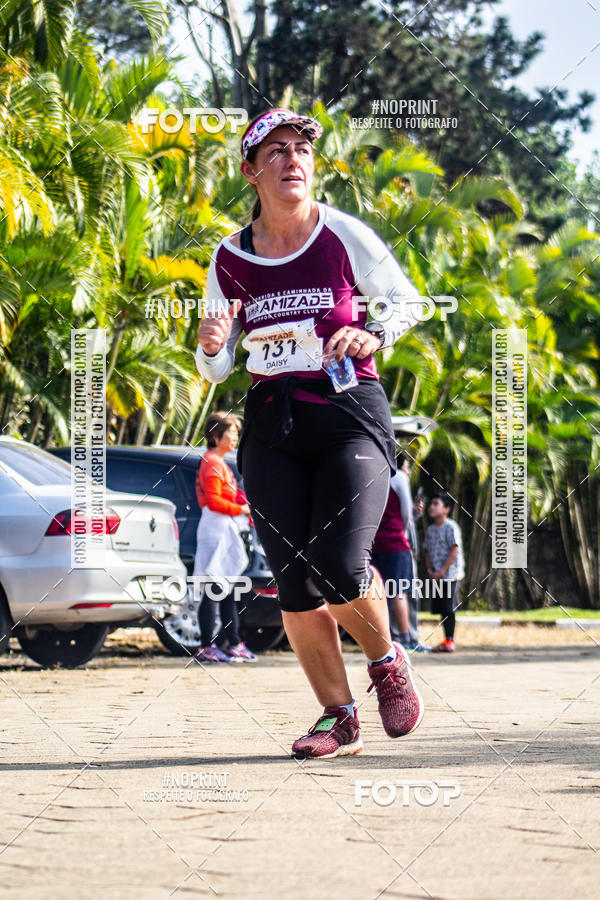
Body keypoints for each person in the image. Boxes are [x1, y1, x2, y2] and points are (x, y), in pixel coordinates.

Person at [196, 108, 424, 758]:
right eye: (276, 151)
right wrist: (212, 346)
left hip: (349, 412)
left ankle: (387, 662)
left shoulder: (341, 234)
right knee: (292, 579)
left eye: (301, 149)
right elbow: (215, 365)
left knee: (340, 563)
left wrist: (372, 331)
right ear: (251, 170)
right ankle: (338, 717)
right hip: (272, 421)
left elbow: (406, 301)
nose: (292, 159)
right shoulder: (229, 257)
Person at [194, 411, 257, 663]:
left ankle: (232, 641)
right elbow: (213, 501)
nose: (235, 438)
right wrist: (242, 509)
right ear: (215, 435)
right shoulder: (212, 462)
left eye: (236, 433)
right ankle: (208, 645)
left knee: (227, 588)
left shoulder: (218, 461)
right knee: (215, 587)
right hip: (217, 531)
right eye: (231, 433)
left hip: (224, 529)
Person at [394, 454, 428, 652]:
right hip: (400, 544)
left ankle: (402, 637)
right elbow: (405, 516)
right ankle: (409, 638)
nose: (408, 470)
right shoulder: (399, 477)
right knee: (404, 592)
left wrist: (416, 512)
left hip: (397, 542)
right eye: (407, 466)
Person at [423, 493, 465, 653]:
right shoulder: (430, 529)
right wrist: (430, 570)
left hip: (450, 575)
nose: (431, 507)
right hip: (436, 576)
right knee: (441, 608)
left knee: (448, 607)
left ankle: (450, 640)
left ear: (446, 509)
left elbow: (454, 550)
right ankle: (446, 639)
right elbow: (427, 550)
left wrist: (442, 571)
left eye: (436, 504)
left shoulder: (451, 527)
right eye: (431, 504)